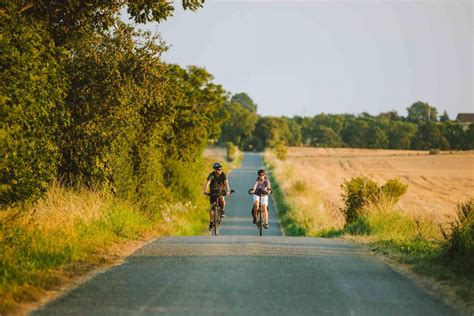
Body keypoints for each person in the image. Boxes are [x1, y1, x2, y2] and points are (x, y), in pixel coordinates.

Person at [203, 162, 230, 231]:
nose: (219, 170)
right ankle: (211, 222)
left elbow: (226, 184)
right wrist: (205, 190)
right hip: (213, 191)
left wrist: (228, 191)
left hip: (221, 191)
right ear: (214, 169)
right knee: (212, 207)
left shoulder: (223, 175)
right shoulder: (211, 175)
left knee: (222, 199)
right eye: (218, 169)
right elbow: (207, 183)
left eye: (220, 169)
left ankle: (222, 211)